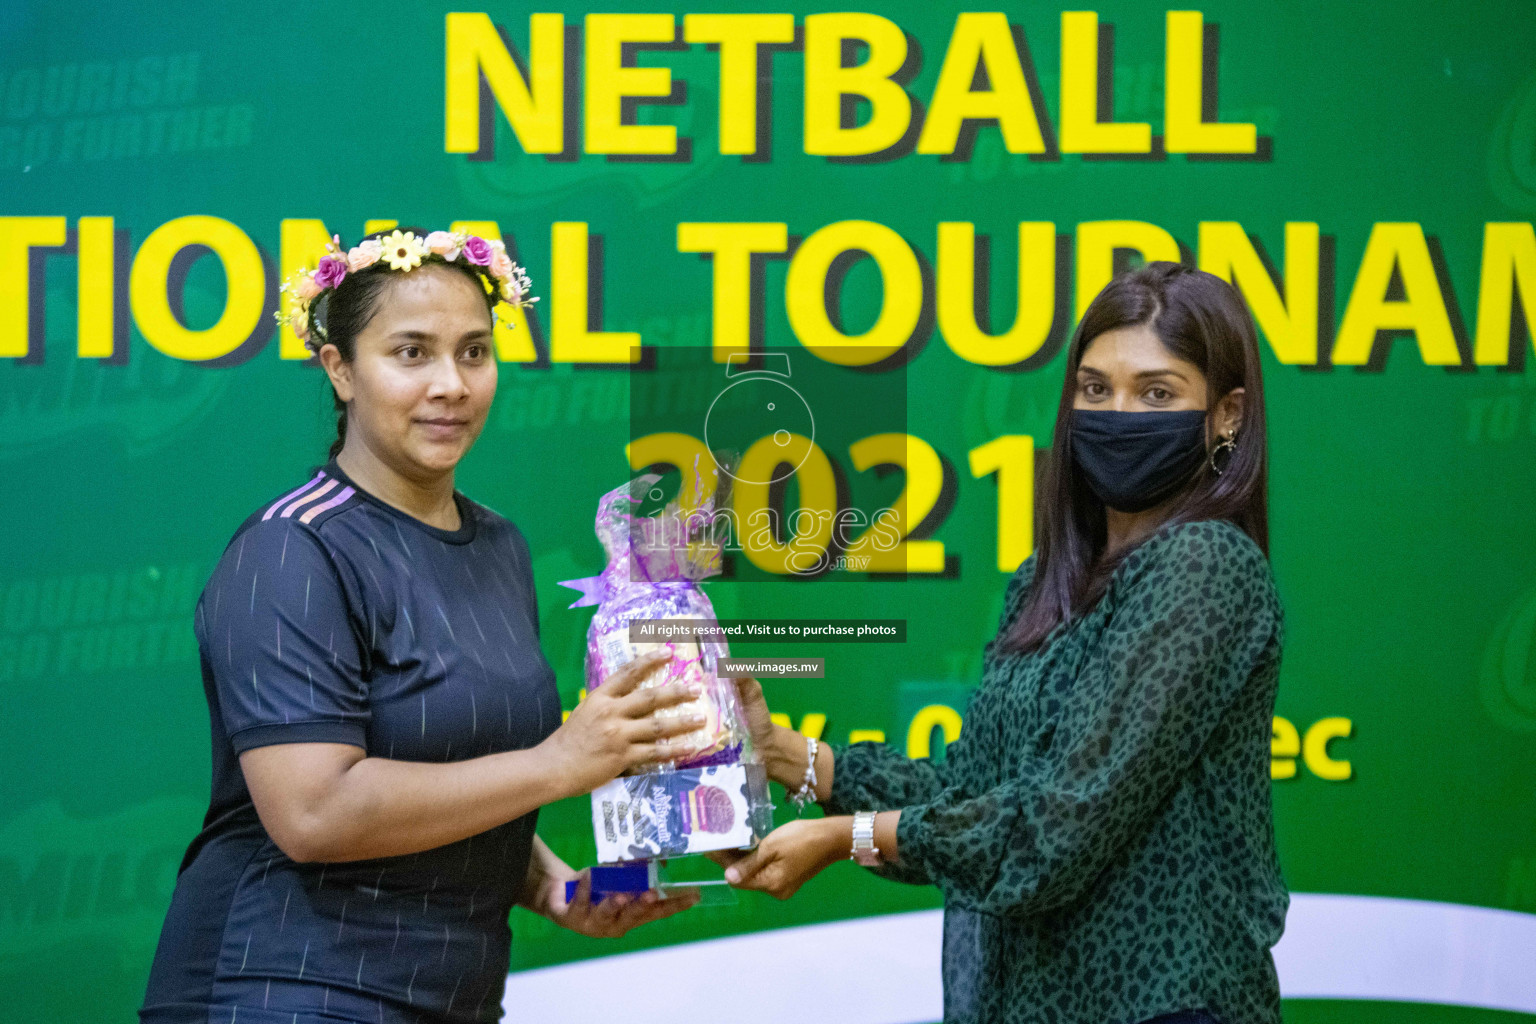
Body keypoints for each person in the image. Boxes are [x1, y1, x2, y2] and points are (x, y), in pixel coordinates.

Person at [140, 228, 706, 1024]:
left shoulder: (500, 543)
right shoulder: (290, 550)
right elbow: (315, 813)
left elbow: (458, 755)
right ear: (339, 370)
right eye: (411, 353)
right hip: (281, 988)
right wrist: (561, 764)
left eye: (474, 353)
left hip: (453, 995)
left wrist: (552, 886)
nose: (452, 384)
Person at [722, 261, 1288, 1024]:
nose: (1118, 415)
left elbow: (1048, 834)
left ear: (1226, 416)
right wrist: (785, 753)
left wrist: (845, 836)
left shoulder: (1204, 566)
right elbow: (973, 806)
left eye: (1156, 393)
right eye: (1095, 390)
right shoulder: (1048, 579)